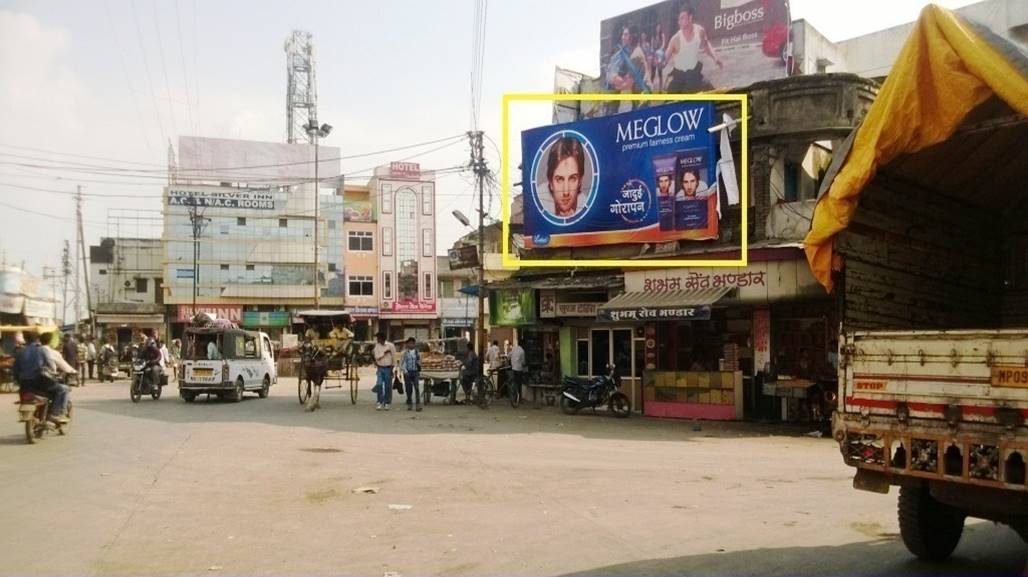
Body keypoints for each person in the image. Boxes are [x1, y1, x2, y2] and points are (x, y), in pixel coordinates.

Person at [664, 4, 722, 93]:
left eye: (682, 18)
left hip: (694, 74)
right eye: (679, 19)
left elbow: (706, 45)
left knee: (714, 97)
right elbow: (665, 59)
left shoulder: (699, 31)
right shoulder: (675, 39)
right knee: (670, 104)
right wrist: (658, 62)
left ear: (690, 18)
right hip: (679, 77)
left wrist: (715, 58)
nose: (679, 22)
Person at [14, 332, 69, 423]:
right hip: (39, 382)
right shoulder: (42, 350)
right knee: (62, 390)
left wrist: (19, 381)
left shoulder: (20, 352)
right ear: (37, 339)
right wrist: (54, 373)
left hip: (24, 384)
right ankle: (54, 414)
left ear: (25, 339)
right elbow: (52, 365)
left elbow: (15, 370)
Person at [539, 137, 587, 219]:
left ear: (580, 181)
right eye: (559, 179)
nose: (566, 192)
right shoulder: (539, 198)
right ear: (550, 183)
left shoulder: (585, 205)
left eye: (572, 179)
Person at [372, 331, 396, 410]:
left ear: (381, 338)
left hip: (388, 368)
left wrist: (393, 369)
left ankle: (387, 402)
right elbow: (377, 357)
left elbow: (394, 358)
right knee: (379, 384)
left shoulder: (390, 345)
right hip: (380, 367)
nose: (377, 339)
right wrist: (384, 353)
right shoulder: (377, 346)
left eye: (378, 338)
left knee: (387, 386)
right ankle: (379, 401)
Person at [400, 337, 422, 412]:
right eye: (409, 343)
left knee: (417, 388)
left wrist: (419, 364)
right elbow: (402, 363)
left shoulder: (417, 352)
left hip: (415, 372)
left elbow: (420, 362)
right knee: (408, 389)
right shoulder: (404, 353)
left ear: (414, 344)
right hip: (407, 372)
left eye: (412, 343)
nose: (411, 345)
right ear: (407, 344)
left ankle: (418, 404)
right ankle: (409, 403)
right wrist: (405, 371)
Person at [509, 341, 526, 406]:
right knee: (519, 384)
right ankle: (519, 399)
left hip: (513, 369)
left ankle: (514, 398)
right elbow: (523, 362)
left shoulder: (514, 349)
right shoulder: (522, 351)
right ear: (523, 344)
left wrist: (511, 362)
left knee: (514, 383)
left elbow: (508, 356)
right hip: (519, 369)